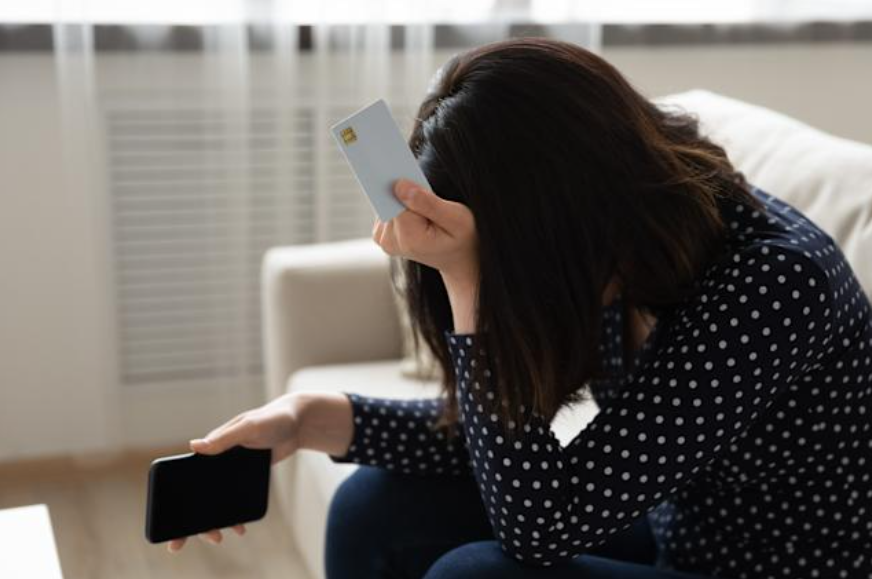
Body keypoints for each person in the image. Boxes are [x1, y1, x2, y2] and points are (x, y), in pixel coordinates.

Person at [167, 38, 872, 579]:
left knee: (474, 575)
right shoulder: (619, 249)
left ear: (558, 215)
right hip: (678, 529)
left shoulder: (774, 286)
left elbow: (540, 527)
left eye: (500, 255)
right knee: (373, 506)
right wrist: (308, 419)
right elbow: (508, 439)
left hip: (769, 567)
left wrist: (468, 279)